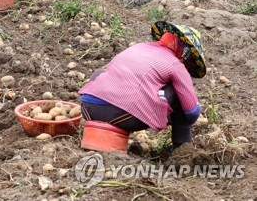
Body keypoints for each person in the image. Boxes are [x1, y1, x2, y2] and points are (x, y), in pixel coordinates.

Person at [78, 21, 206, 148]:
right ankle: (182, 147)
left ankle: (95, 135)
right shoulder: (176, 65)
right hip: (125, 115)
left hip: (89, 108)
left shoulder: (137, 47)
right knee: (178, 94)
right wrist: (173, 115)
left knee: (101, 73)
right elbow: (191, 113)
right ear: (185, 53)